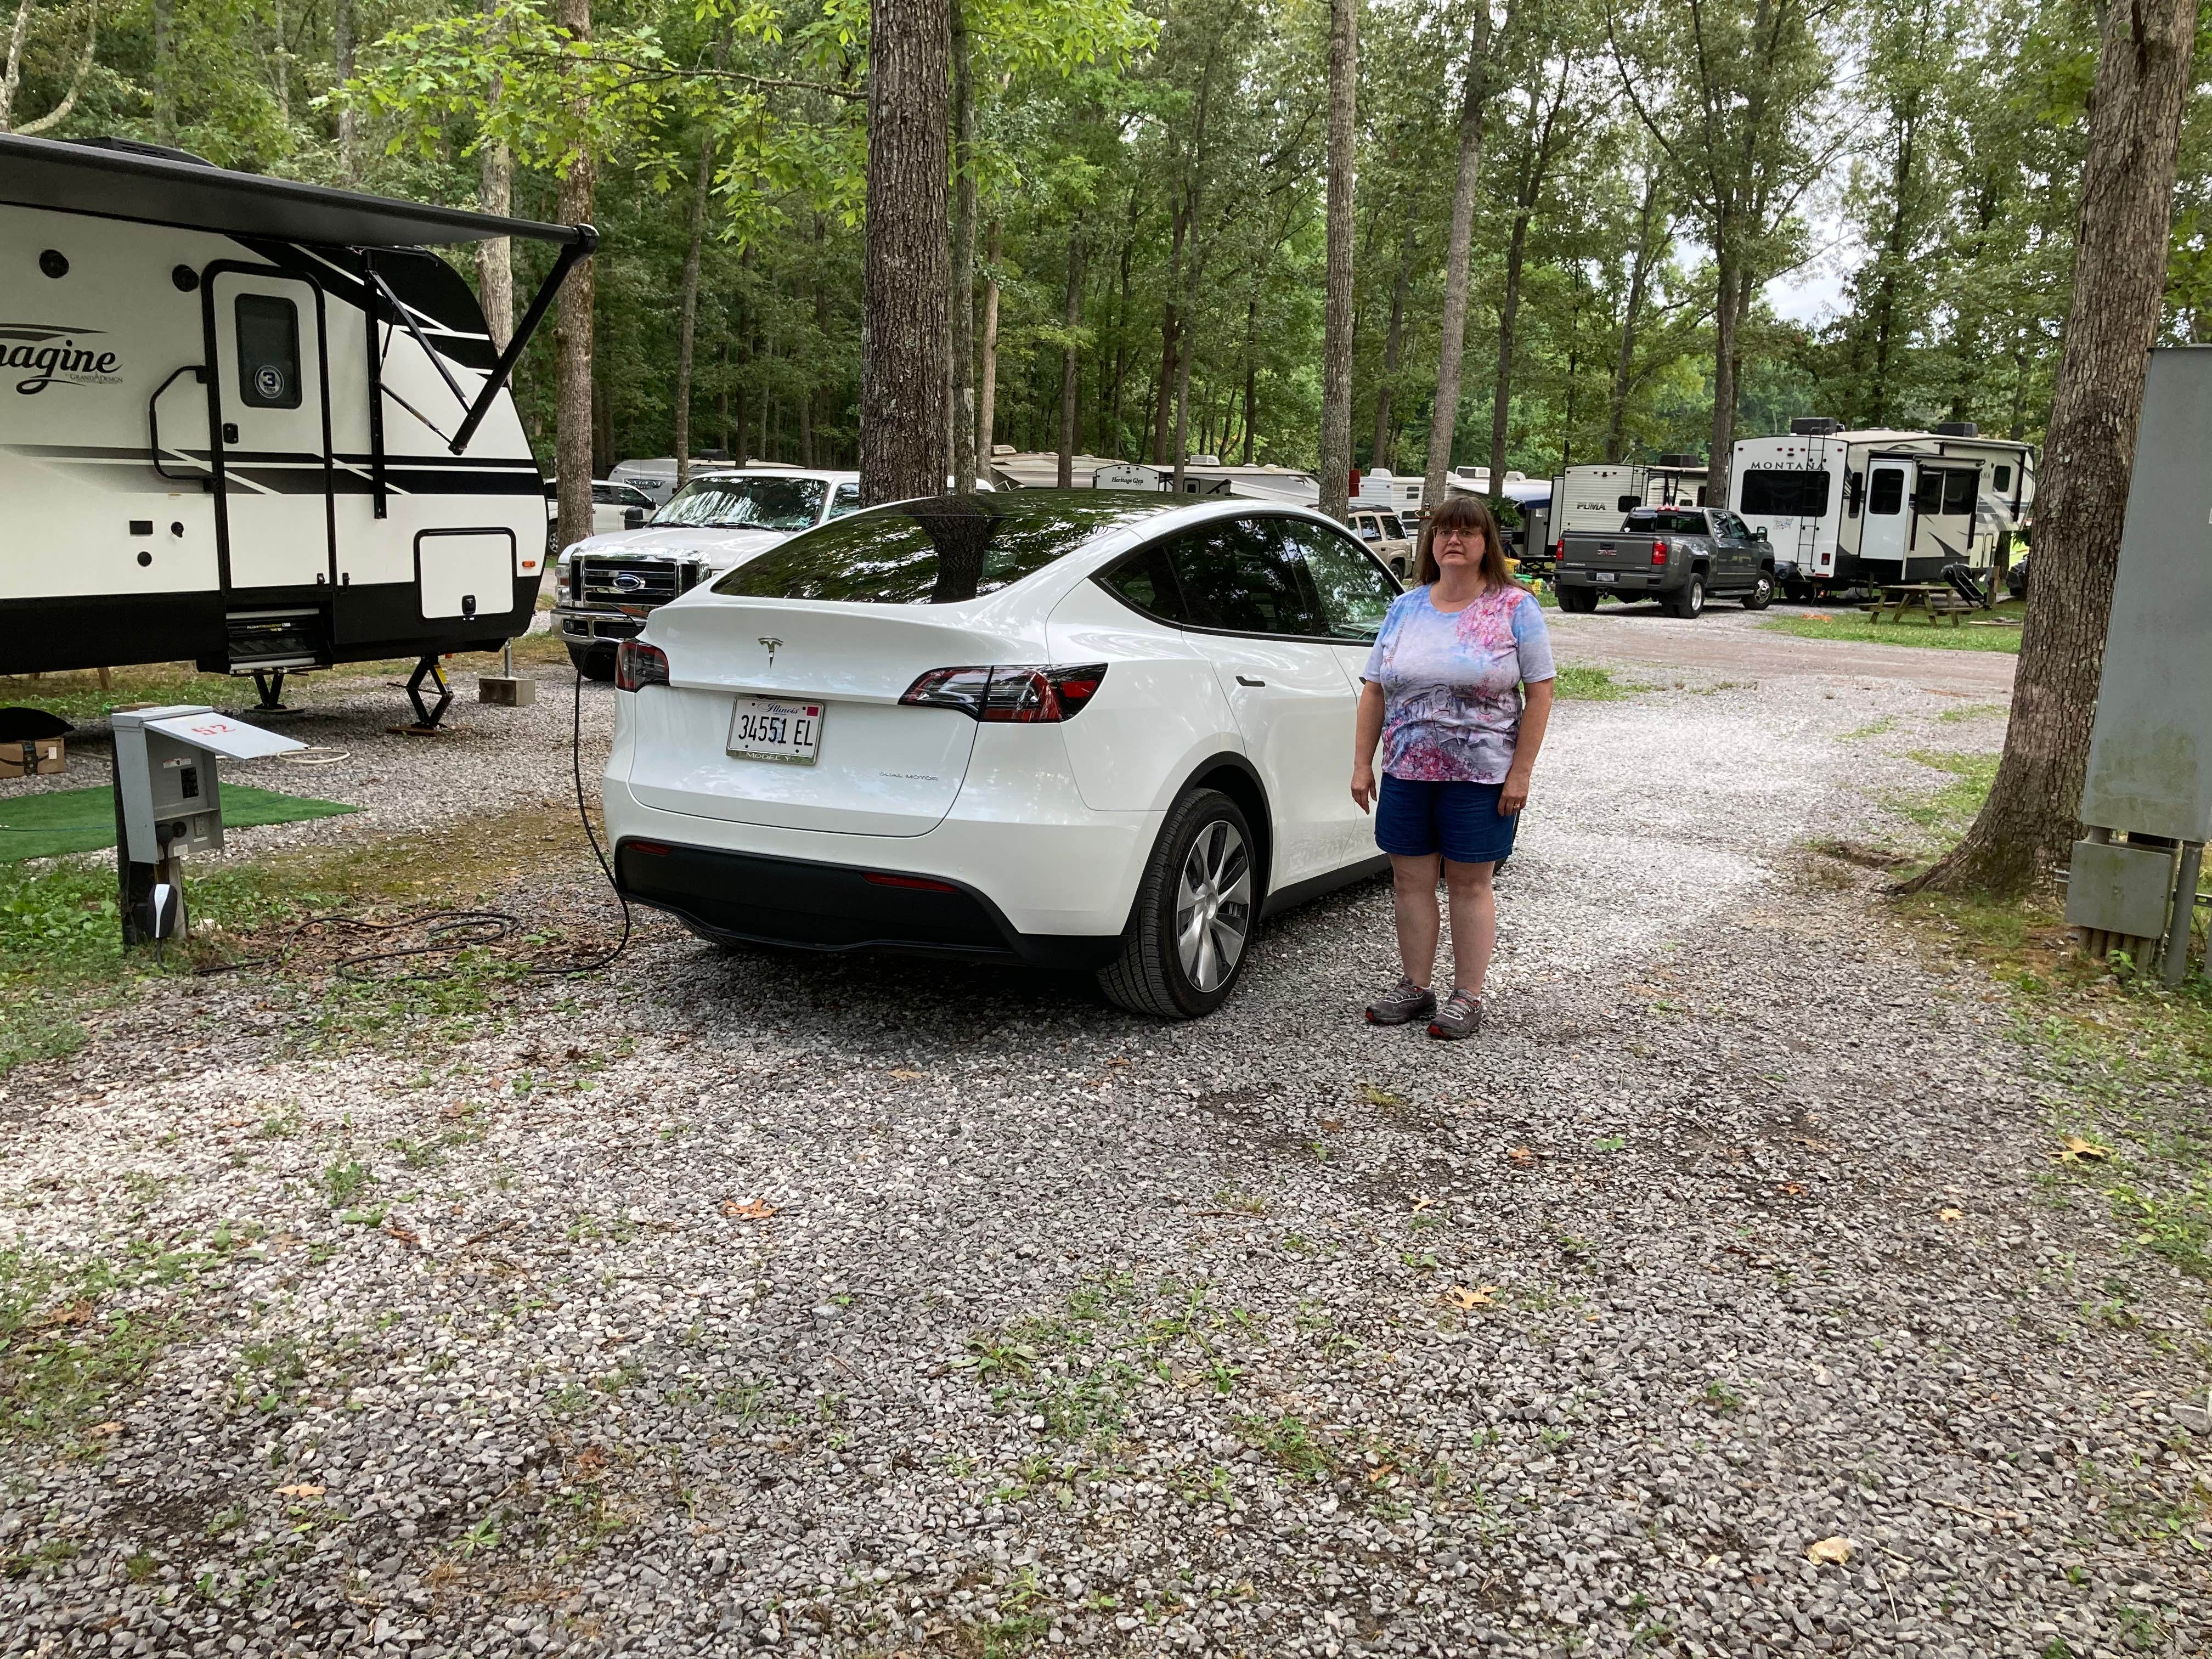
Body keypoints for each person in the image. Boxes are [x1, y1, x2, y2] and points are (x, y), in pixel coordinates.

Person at [1350, 493, 1555, 1040]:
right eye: (1444, 531)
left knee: (1469, 884)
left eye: (1467, 531)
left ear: (1486, 542)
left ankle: (1468, 996)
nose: (1454, 541)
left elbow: (1541, 692)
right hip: (1407, 771)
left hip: (1481, 774)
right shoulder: (1406, 607)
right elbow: (1374, 690)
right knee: (1409, 881)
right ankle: (1416, 987)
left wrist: (1521, 773)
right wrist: (1362, 765)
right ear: (1431, 543)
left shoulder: (1514, 608)